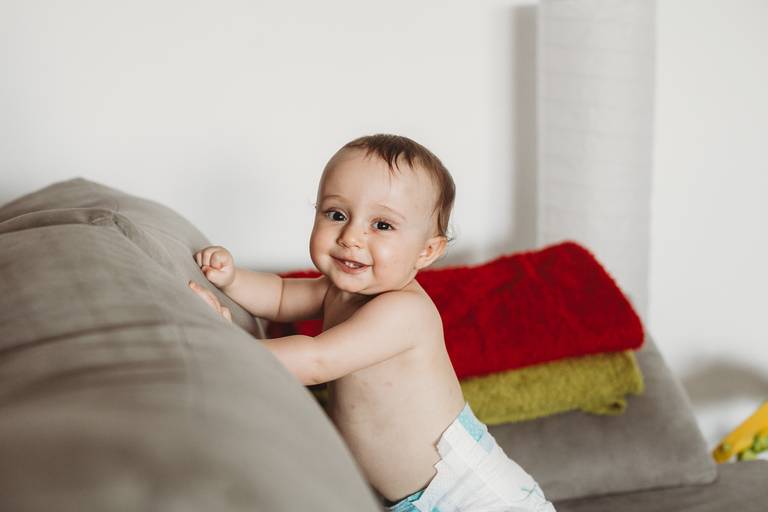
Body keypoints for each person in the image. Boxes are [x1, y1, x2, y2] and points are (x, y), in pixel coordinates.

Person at [188, 134, 555, 512]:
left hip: (468, 494)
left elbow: (317, 361)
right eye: (336, 215)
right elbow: (279, 296)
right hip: (412, 498)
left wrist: (227, 342)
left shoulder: (403, 312)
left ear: (427, 251)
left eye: (381, 225)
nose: (351, 237)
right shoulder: (336, 291)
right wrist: (231, 279)